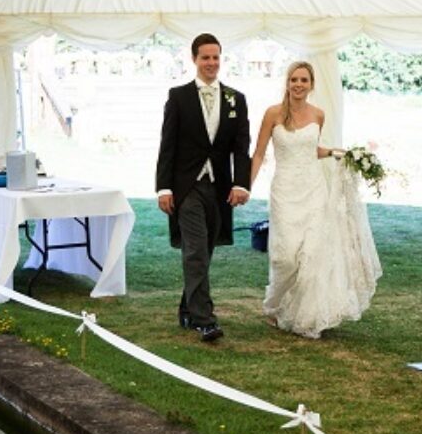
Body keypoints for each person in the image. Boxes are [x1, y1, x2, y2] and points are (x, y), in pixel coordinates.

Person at [249, 61, 381, 338]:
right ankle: (273, 304)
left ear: (311, 85)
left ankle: (305, 314)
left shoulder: (318, 115)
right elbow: (259, 152)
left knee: (310, 254)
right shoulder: (273, 113)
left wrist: (333, 152)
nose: (298, 84)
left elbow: (309, 149)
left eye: (304, 80)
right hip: (285, 190)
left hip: (313, 189)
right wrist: (246, 185)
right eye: (294, 79)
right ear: (287, 83)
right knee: (286, 256)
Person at [155, 33, 252, 342]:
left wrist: (241, 183)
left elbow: (241, 147)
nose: (211, 63)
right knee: (195, 250)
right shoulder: (178, 96)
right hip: (186, 187)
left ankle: (187, 306)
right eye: (205, 57)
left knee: (205, 251)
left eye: (216, 57)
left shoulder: (236, 98)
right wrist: (163, 188)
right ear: (194, 59)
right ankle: (204, 319)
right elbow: (167, 146)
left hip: (220, 187)